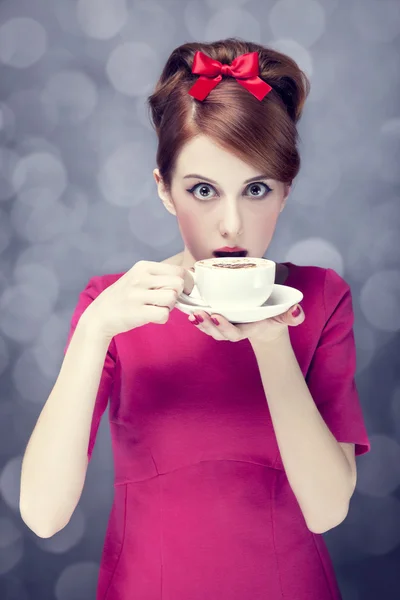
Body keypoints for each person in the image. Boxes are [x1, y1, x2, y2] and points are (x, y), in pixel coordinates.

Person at [20, 38, 371, 599]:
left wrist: (271, 342)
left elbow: (328, 510)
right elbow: (42, 515)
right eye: (203, 190)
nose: (231, 225)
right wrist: (92, 335)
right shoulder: (112, 307)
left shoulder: (321, 299)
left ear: (285, 193)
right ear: (164, 191)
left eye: (256, 189)